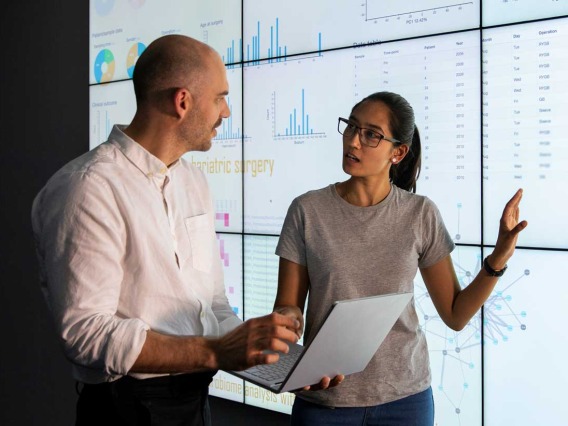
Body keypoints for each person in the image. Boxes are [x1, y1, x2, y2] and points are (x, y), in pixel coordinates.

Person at [31, 34, 307, 426]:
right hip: (125, 410)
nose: (226, 112)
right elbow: (85, 334)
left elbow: (212, 305)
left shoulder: (194, 182)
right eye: (220, 97)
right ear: (182, 102)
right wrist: (216, 352)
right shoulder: (87, 186)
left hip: (193, 403)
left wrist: (273, 359)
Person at [273, 91, 528, 425]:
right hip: (325, 400)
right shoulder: (307, 210)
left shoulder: (420, 214)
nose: (353, 141)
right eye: (351, 127)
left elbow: (455, 314)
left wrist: (499, 256)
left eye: (371, 134)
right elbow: (287, 307)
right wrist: (288, 325)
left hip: (406, 402)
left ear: (399, 152)